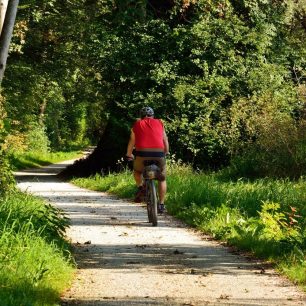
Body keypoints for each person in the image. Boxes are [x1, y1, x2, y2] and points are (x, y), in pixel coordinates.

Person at [126, 106, 169, 213]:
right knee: (162, 178)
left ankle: (141, 188)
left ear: (141, 116)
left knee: (137, 171)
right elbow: (165, 139)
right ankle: (161, 205)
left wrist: (129, 154)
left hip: (142, 154)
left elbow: (132, 141)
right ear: (153, 115)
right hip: (159, 154)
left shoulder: (137, 124)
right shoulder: (160, 122)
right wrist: (166, 151)